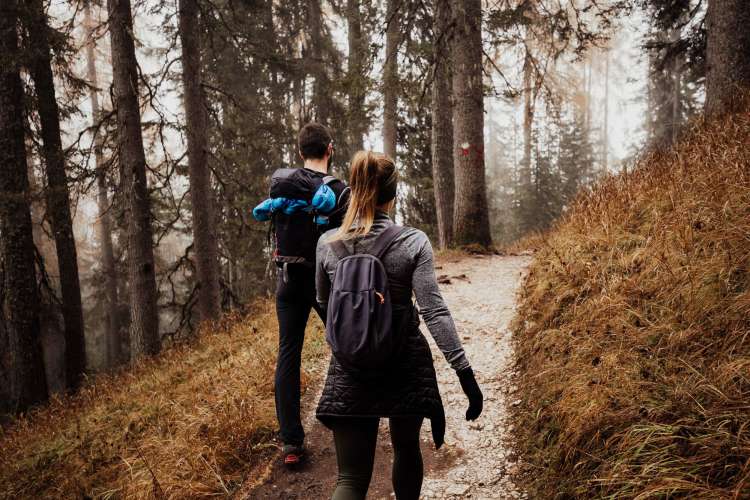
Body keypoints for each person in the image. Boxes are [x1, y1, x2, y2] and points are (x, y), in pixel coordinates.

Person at [315, 151, 484, 499]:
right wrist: (464, 373)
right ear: (393, 195)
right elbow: (434, 312)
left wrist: (351, 334)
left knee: (350, 478)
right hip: (403, 361)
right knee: (407, 449)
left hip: (351, 366)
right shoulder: (412, 242)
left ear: (355, 189)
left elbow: (323, 300)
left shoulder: (327, 245)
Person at [252, 122, 350, 466]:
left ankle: (292, 444)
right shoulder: (339, 190)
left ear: (299, 153)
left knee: (288, 355)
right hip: (327, 282)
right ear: (330, 149)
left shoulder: (283, 185)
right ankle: (347, 415)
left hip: (288, 278)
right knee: (345, 343)